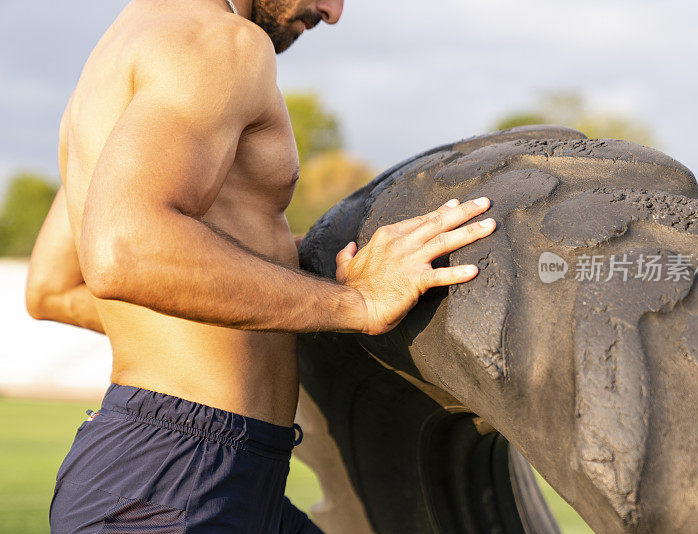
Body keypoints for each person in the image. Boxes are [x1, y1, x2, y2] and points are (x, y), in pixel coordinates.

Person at [25, 0, 497, 531]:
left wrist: (300, 281)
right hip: (171, 484)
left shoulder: (116, 59)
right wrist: (356, 303)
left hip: (205, 472)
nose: (334, 11)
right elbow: (125, 251)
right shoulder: (221, 40)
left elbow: (53, 287)